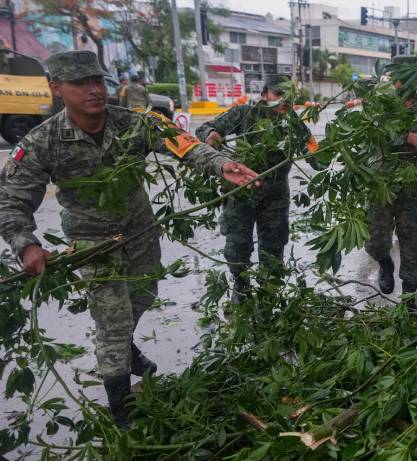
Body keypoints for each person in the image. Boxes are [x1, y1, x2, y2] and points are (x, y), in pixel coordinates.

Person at [0, 51, 260, 426]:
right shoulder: (43, 141)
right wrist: (26, 243)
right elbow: (12, 198)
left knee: (143, 295)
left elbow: (182, 142)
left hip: (140, 231)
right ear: (56, 87)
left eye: (97, 81)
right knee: (113, 320)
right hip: (92, 244)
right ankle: (121, 408)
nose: (93, 90)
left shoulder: (134, 123)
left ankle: (126, 349)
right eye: (80, 83)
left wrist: (222, 165)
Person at [196, 82, 321, 302]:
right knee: (237, 245)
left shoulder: (294, 123)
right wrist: (212, 134)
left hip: (276, 193)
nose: (284, 100)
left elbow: (315, 156)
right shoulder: (245, 113)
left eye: (289, 96)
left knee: (274, 247)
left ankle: (268, 292)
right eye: (279, 93)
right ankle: (241, 284)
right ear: (264, 94)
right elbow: (204, 128)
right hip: (242, 189)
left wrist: (330, 147)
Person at [365, 55, 417, 299]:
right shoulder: (380, 104)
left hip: (412, 187)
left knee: (413, 244)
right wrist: (406, 138)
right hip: (381, 183)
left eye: (408, 75)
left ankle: (409, 300)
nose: (402, 81)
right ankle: (386, 264)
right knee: (375, 240)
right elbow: (371, 135)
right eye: (398, 75)